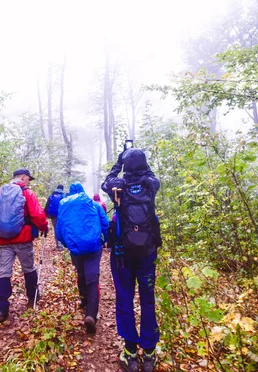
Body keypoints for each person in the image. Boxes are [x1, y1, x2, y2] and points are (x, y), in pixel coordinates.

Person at [102, 148, 161, 372]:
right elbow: (151, 174)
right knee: (147, 300)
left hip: (122, 254)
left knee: (125, 299)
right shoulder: (150, 183)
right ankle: (149, 352)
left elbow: (107, 180)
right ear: (145, 164)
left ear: (125, 165)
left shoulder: (118, 185)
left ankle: (129, 352)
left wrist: (119, 162)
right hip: (147, 252)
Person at [0, 168, 49, 323]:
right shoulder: (27, 193)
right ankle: (32, 297)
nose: (29, 182)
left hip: (3, 241)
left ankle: (1, 309)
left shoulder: (0, 192)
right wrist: (44, 227)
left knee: (4, 273)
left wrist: (3, 229)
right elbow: (37, 215)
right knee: (28, 268)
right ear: (24, 177)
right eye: (29, 179)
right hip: (23, 239)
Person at [56, 182, 109, 334]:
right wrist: (104, 240)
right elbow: (104, 224)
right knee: (93, 279)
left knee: (81, 274)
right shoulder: (93, 204)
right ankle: (91, 314)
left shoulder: (64, 206)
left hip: (75, 248)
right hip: (93, 247)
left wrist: (68, 244)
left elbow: (59, 231)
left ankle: (84, 300)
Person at [44, 184, 65, 250]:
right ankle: (62, 245)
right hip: (61, 215)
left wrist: (45, 215)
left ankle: (58, 245)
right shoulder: (64, 196)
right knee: (62, 229)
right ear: (62, 189)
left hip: (53, 216)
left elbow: (47, 205)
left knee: (56, 229)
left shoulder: (52, 195)